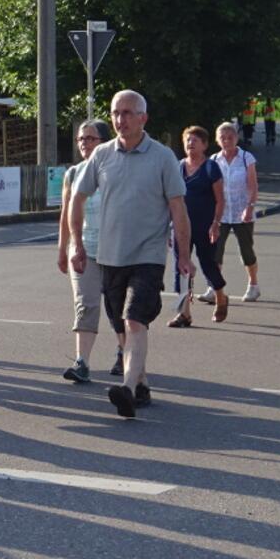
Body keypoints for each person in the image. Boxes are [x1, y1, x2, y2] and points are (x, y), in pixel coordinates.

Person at [71, 90, 191, 419]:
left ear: (143, 118)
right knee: (122, 326)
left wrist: (183, 253)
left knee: (135, 318)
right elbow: (77, 199)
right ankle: (141, 384)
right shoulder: (102, 155)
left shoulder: (163, 157)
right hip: (109, 255)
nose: (120, 120)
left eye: (127, 113)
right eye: (115, 113)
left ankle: (126, 388)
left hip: (148, 254)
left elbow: (178, 207)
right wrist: (77, 245)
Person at [56, 119, 125, 382]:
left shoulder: (116, 170)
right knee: (85, 304)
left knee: (117, 307)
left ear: (104, 142)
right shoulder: (73, 173)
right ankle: (82, 362)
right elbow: (66, 214)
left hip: (117, 250)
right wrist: (63, 249)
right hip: (83, 249)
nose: (84, 143)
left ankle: (123, 351)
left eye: (90, 138)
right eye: (80, 139)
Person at [168, 126, 228, 326]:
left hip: (205, 226)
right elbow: (171, 199)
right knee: (181, 267)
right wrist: (169, 226)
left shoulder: (211, 168)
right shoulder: (177, 167)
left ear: (204, 145)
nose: (190, 143)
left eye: (195, 140)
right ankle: (184, 313)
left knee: (207, 264)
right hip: (181, 227)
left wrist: (216, 224)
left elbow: (220, 200)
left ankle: (220, 295)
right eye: (187, 140)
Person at [204, 123, 260, 303]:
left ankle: (253, 285)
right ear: (217, 140)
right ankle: (214, 287)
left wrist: (249, 206)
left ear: (236, 138)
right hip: (221, 213)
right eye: (223, 137)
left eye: (230, 137)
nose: (226, 141)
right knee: (215, 251)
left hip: (242, 212)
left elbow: (252, 184)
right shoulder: (214, 159)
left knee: (246, 251)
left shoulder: (246, 158)